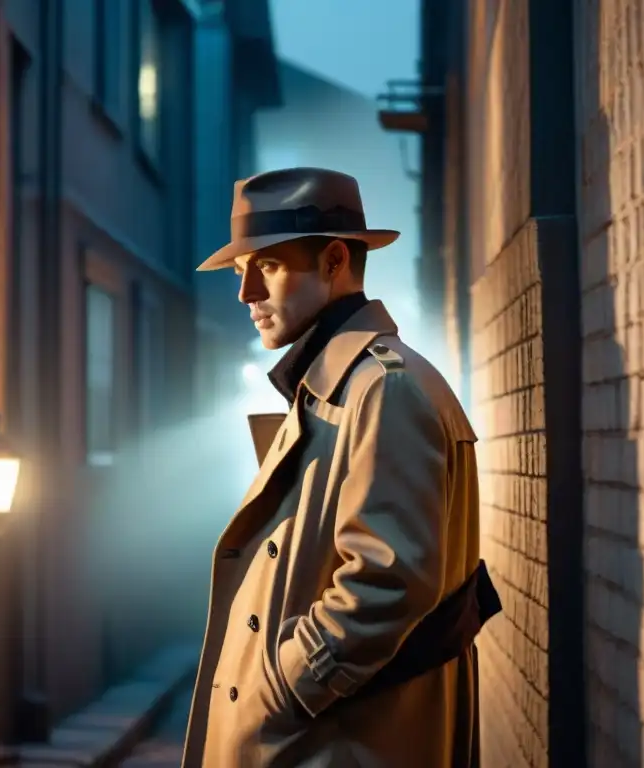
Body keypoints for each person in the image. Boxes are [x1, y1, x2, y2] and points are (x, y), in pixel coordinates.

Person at [181, 167, 499, 768]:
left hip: (335, 744)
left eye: (267, 265)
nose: (246, 292)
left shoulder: (382, 390)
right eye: (239, 270)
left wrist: (286, 688)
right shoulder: (339, 387)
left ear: (333, 261)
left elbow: (387, 580)